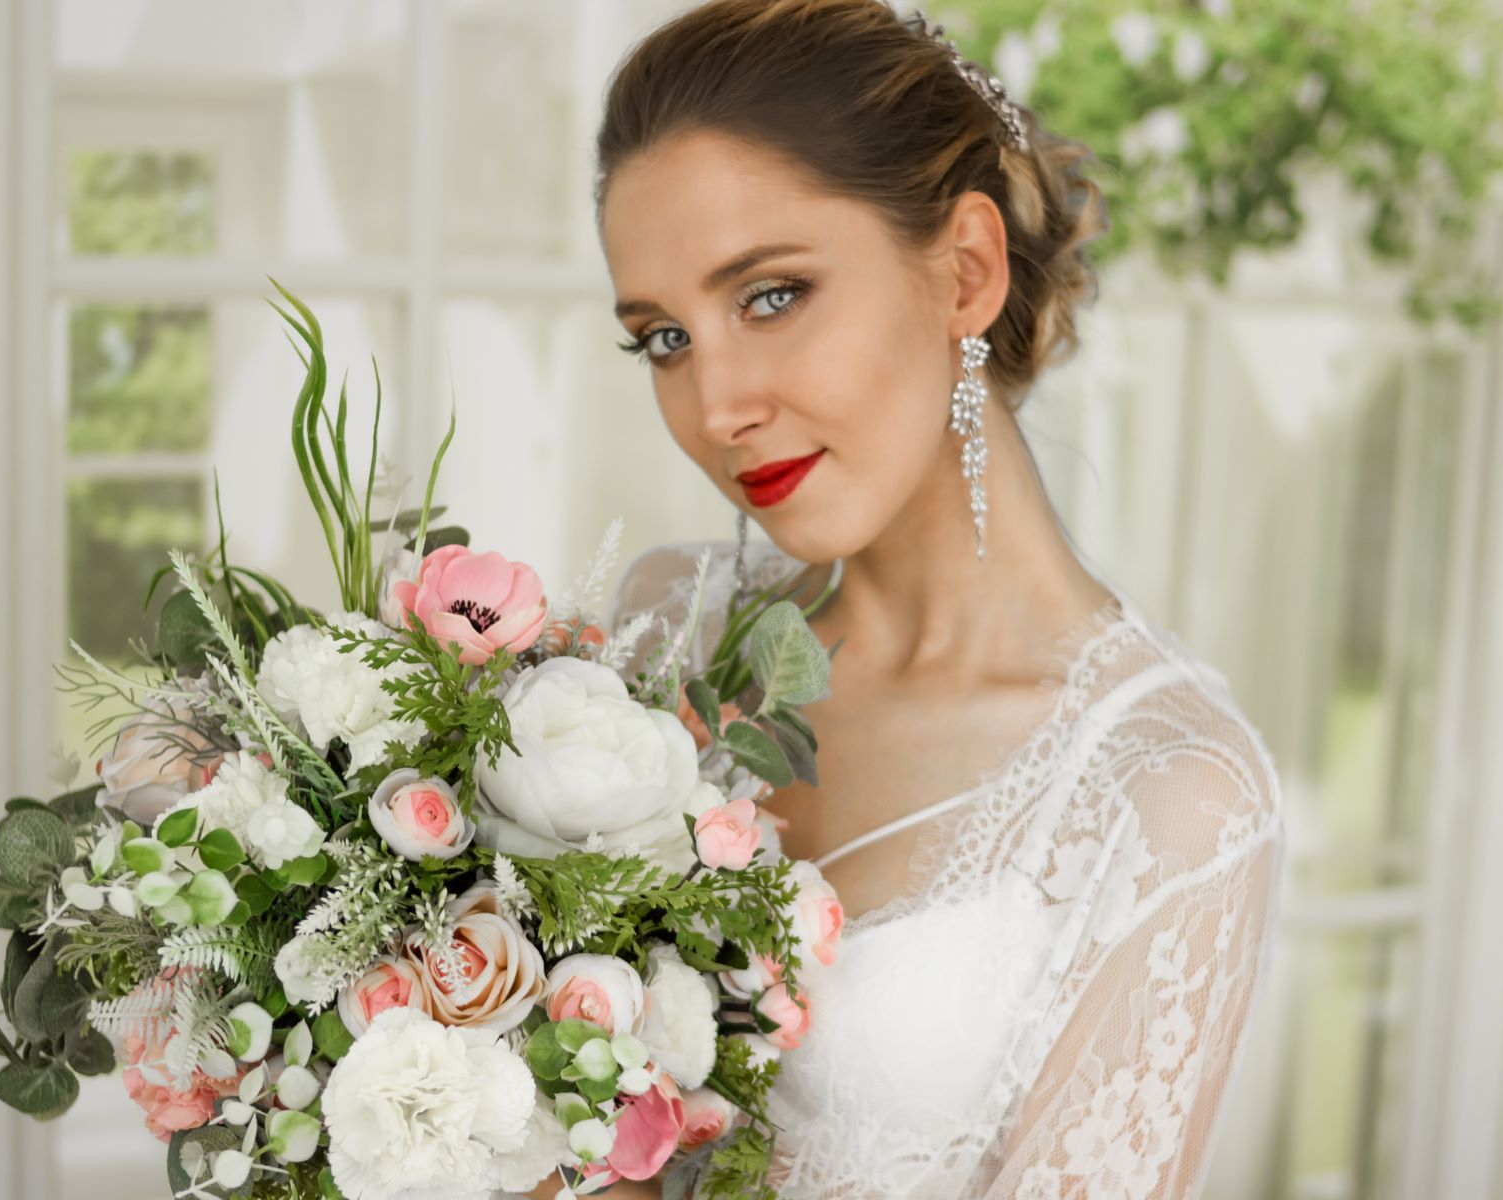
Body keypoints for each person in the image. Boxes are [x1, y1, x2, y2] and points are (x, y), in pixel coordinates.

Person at [532, 1, 1288, 1195]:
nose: (717, 404)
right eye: (665, 338)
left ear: (967, 272)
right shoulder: (663, 620)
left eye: (771, 295)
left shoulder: (1170, 798)